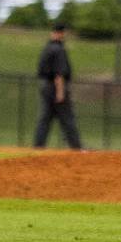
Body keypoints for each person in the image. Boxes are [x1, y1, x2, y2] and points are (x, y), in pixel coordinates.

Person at [33, 22, 82, 150]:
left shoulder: (47, 48)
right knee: (68, 119)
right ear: (62, 33)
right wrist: (60, 92)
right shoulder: (58, 49)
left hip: (46, 87)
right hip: (56, 87)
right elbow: (59, 73)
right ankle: (76, 147)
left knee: (44, 119)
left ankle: (38, 146)